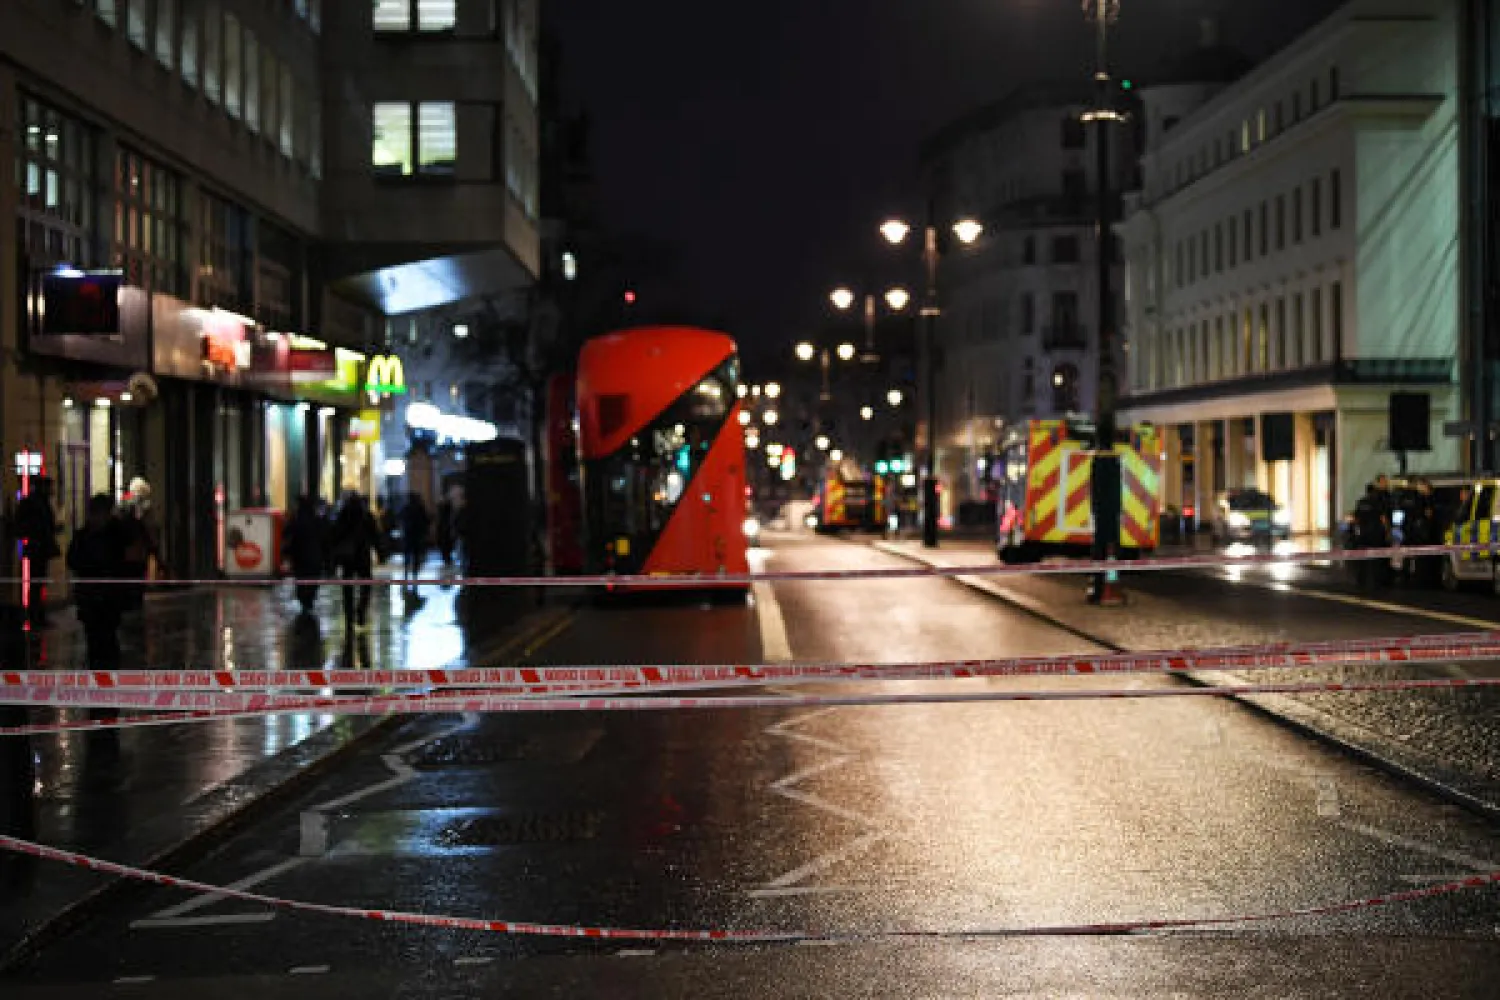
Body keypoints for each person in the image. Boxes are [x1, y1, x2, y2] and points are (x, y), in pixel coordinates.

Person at [67, 494, 128, 671]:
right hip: (93, 595)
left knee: (105, 637)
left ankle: (106, 672)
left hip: (106, 596)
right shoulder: (86, 535)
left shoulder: (114, 534)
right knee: (96, 638)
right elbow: (72, 560)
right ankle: (100, 672)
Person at [328, 493, 386, 631]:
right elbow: (376, 536)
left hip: (348, 557)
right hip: (363, 556)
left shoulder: (343, 515)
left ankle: (349, 617)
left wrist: (333, 561)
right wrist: (380, 553)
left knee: (347, 588)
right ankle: (361, 611)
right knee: (366, 585)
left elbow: (335, 536)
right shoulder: (367, 516)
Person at [14, 478, 60, 629]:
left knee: (37, 583)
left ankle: (36, 615)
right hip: (39, 547)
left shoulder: (33, 502)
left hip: (36, 546)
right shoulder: (38, 503)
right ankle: (35, 616)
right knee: (37, 583)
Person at [281, 494, 329, 616]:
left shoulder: (296, 520)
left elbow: (287, 534)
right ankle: (309, 600)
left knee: (301, 579)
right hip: (315, 557)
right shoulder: (317, 520)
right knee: (312, 579)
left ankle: (304, 601)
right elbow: (325, 538)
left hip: (300, 557)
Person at [400, 493, 431, 586]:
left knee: (408, 555)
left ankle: (406, 572)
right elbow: (426, 521)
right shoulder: (420, 508)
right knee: (415, 555)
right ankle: (414, 573)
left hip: (408, 535)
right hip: (417, 535)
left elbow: (400, 518)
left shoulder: (406, 508)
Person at [436, 495, 455, 567]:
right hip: (446, 529)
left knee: (445, 545)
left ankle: (446, 558)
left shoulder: (442, 511)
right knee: (446, 545)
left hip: (444, 530)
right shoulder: (448, 511)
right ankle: (447, 558)